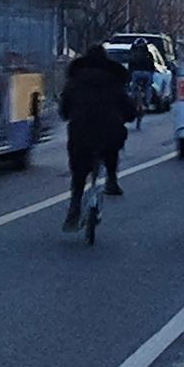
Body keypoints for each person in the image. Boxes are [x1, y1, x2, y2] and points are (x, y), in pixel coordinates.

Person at [59, 44, 135, 230]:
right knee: (112, 143)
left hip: (81, 131)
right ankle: (111, 178)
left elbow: (64, 110)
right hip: (108, 131)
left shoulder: (75, 81)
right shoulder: (114, 82)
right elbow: (128, 110)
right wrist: (128, 115)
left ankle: (75, 205)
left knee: (78, 171)